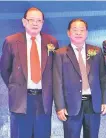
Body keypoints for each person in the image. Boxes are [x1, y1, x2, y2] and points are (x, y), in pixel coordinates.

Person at [0, 7, 59, 138]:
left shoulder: (52, 42)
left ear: (43, 23)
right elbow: (5, 69)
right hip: (20, 99)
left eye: (39, 20)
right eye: (31, 20)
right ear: (24, 22)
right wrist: (15, 86)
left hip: (43, 100)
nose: (35, 23)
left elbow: (55, 70)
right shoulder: (11, 41)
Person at [53, 18, 106, 138]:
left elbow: (103, 78)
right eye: (75, 30)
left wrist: (105, 101)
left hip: (93, 104)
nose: (78, 33)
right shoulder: (60, 54)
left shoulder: (96, 51)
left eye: (82, 30)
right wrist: (60, 106)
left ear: (86, 33)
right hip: (71, 105)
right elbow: (57, 82)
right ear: (68, 33)